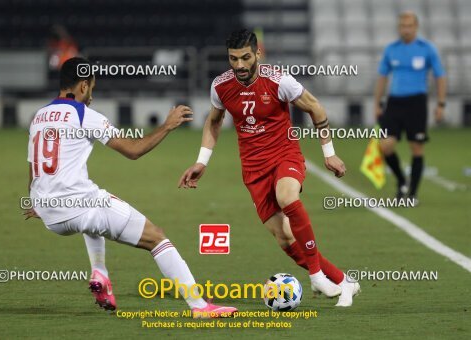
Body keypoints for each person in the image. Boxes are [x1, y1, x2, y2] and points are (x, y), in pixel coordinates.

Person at [23, 57, 237, 318]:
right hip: (78, 206)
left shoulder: (39, 116)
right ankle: (199, 306)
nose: (91, 94)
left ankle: (100, 274)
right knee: (156, 237)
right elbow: (133, 151)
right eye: (91, 87)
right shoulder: (84, 115)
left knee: (94, 210)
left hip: (48, 212)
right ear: (82, 86)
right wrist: (166, 126)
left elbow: (34, 165)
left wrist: (37, 200)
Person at [178, 29, 360, 307]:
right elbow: (214, 122)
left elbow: (315, 107)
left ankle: (316, 276)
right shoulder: (221, 86)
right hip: (253, 169)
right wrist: (202, 161)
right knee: (284, 237)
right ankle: (343, 280)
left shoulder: (279, 80)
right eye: (233, 59)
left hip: (284, 154)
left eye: (245, 58)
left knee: (288, 197)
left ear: (257, 54)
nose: (239, 65)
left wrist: (329, 152)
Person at [374, 11, 446, 204]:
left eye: (409, 26)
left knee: (416, 147)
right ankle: (402, 180)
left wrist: (440, 103)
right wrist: (377, 103)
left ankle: (412, 193)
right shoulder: (391, 49)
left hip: (417, 103)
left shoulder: (427, 49)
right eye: (402, 26)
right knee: (385, 145)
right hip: (394, 103)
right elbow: (382, 77)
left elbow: (440, 76)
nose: (406, 29)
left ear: (416, 27)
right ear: (399, 28)